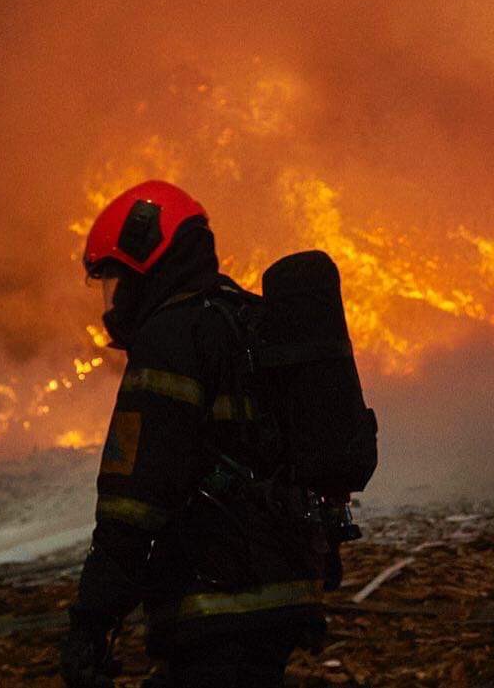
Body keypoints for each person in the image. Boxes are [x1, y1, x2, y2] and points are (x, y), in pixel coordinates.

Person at [59, 180, 327, 688]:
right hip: (287, 593)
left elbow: (133, 499)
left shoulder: (170, 336)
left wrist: (91, 621)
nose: (115, 304)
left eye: (119, 279)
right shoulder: (248, 319)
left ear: (149, 259)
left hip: (217, 599)